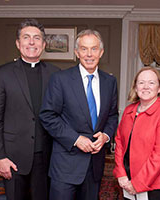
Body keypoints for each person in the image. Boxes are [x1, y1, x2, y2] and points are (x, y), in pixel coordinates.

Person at [39, 29, 118, 200]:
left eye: (94, 49)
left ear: (101, 52)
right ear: (76, 52)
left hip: (94, 165)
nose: (89, 54)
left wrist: (105, 135)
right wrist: (75, 139)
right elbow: (48, 116)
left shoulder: (110, 82)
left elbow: (112, 115)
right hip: (65, 166)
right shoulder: (60, 79)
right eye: (84, 49)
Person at [0, 19, 60, 200]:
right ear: (18, 43)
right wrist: (0, 157)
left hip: (45, 157)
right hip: (12, 157)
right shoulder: (3, 73)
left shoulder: (55, 74)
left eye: (36, 38)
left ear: (43, 45)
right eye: (26, 37)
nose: (31, 42)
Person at [113, 66, 160, 200]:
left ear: (159, 88)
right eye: (141, 82)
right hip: (127, 181)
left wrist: (138, 183)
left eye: (151, 83)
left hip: (154, 185)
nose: (145, 87)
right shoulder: (129, 111)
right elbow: (119, 143)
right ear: (135, 87)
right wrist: (121, 173)